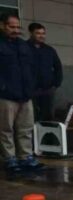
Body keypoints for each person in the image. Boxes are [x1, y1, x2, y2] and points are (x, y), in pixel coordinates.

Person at [0, 13, 42, 173]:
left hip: (25, 95)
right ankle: (10, 159)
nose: (16, 30)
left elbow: (31, 69)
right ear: (2, 26)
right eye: (12, 27)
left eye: (18, 27)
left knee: (25, 128)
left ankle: (25, 157)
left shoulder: (24, 46)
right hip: (6, 96)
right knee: (5, 130)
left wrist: (31, 88)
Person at [27, 23, 62, 122]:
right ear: (31, 33)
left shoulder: (50, 50)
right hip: (30, 91)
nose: (41, 36)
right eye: (38, 33)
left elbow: (58, 68)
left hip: (47, 91)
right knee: (30, 118)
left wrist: (55, 85)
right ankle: (32, 137)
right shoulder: (24, 48)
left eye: (43, 33)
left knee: (47, 118)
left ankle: (46, 137)